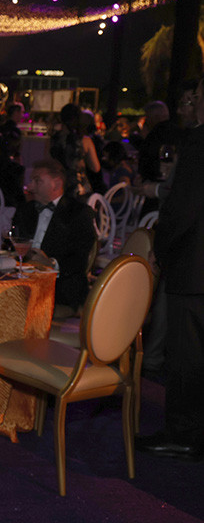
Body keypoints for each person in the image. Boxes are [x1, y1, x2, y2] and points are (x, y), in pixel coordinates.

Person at [137, 76, 204, 462]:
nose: (194, 102)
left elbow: (182, 208)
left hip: (193, 267)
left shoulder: (198, 142)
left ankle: (183, 434)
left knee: (187, 356)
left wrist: (160, 248)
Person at [12, 159, 96, 311]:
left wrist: (50, 263)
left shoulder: (79, 213)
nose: (30, 187)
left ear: (56, 184)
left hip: (59, 291)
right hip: (22, 284)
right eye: (31, 181)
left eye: (37, 181)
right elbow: (13, 243)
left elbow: (79, 260)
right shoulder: (25, 210)